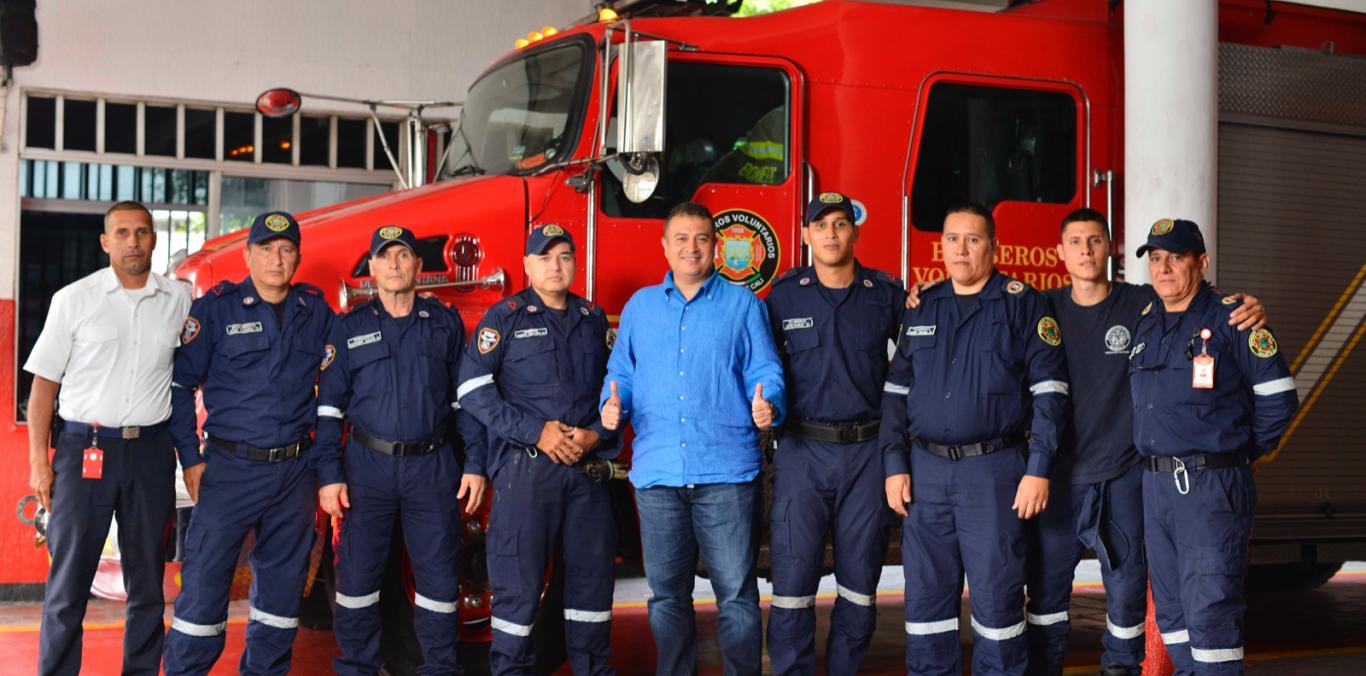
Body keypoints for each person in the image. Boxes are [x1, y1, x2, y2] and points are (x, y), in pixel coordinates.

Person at [1022, 209, 1266, 676]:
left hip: (1124, 482)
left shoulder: (1143, 304)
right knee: (1046, 604)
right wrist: (919, 297)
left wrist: (1247, 306)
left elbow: (1196, 302)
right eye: (1075, 242)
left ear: (1109, 250)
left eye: (1095, 241)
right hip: (1060, 482)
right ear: (1060, 253)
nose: (1086, 251)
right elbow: (984, 303)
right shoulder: (1040, 306)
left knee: (1127, 607)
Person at [599, 201, 785, 676]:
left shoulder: (743, 304)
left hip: (726, 472)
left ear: (716, 247)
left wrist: (769, 404)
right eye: (681, 238)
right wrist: (610, 403)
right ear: (664, 246)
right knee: (666, 597)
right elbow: (621, 370)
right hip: (658, 473)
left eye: (701, 238)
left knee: (737, 597)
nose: (691, 247)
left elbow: (765, 370)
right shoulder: (640, 308)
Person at [881, 202, 1067, 676]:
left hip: (994, 473)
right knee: (926, 607)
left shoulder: (1023, 303)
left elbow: (1050, 394)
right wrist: (893, 463)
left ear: (993, 246)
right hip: (925, 473)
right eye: (952, 239)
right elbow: (895, 393)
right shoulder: (924, 306)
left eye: (973, 239)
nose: (961, 250)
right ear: (940, 245)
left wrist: (1038, 468)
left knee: (998, 601)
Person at [162, 211, 335, 675]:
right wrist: (190, 460)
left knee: (280, 596)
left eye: (285, 249)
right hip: (229, 471)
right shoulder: (216, 309)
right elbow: (179, 388)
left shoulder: (314, 311)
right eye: (266, 249)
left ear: (297, 255)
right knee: (202, 588)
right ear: (248, 255)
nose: (276, 259)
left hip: (294, 473)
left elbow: (338, 388)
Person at [24, 201, 191, 676]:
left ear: (154, 239)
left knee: (147, 586)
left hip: (151, 454)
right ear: (105, 242)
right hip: (83, 452)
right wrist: (40, 462)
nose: (133, 242)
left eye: (141, 232)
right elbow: (43, 387)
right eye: (122, 233)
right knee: (68, 584)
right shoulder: (74, 299)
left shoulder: (179, 301)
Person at [315, 225, 487, 675]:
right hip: (365, 471)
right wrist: (329, 475)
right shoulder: (348, 327)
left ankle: (440, 670)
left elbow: (464, 400)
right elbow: (329, 410)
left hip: (432, 468)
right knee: (356, 581)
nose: (393, 264)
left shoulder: (444, 323)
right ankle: (358, 668)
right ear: (372, 268)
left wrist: (474, 463)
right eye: (384, 257)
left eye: (403, 256)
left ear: (417, 265)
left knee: (438, 582)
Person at [1128, 218, 1297, 675]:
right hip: (1158, 486)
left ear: (1201, 263)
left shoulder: (1233, 319)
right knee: (1174, 616)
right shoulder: (1147, 323)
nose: (1164, 269)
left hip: (1209, 487)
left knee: (1210, 615)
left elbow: (1279, 397)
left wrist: (1240, 453)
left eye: (1176, 258)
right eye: (1156, 259)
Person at [457, 224, 620, 675]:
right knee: (518, 589)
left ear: (574, 263)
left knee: (591, 587)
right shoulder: (503, 318)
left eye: (565, 256)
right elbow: (472, 388)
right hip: (527, 474)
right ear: (527, 265)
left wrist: (595, 435)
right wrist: (536, 432)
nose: (556, 265)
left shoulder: (593, 321)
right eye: (545, 257)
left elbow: (617, 390)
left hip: (586, 474)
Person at [762, 192, 903, 675]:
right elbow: (763, 366)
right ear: (804, 235)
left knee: (860, 581)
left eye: (840, 224)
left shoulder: (887, 293)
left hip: (867, 453)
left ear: (855, 232)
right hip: (801, 452)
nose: (830, 234)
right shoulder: (783, 296)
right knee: (792, 580)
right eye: (820, 226)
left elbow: (915, 365)